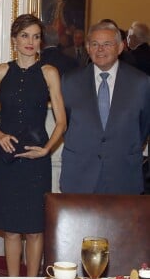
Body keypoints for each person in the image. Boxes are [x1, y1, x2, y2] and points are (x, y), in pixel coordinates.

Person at [0, 14, 66, 277]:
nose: (30, 41)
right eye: (24, 36)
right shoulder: (1, 71)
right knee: (10, 229)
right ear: (14, 40)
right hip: (7, 159)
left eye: (35, 36)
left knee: (34, 228)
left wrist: (47, 149)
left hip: (36, 160)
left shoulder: (49, 73)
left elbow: (61, 122)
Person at [60, 21, 150, 194]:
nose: (100, 49)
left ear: (120, 47)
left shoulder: (141, 83)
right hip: (80, 175)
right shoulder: (70, 81)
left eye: (107, 44)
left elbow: (143, 127)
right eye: (95, 44)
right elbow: (65, 123)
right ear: (87, 47)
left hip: (123, 175)